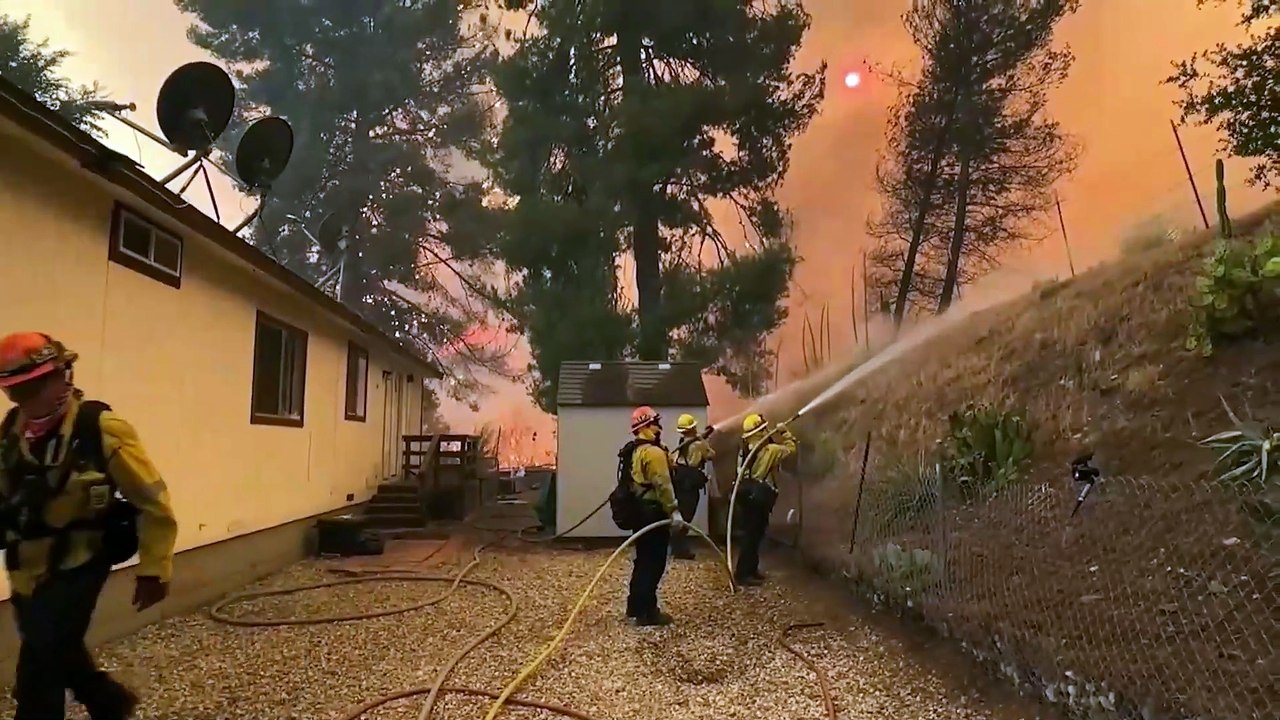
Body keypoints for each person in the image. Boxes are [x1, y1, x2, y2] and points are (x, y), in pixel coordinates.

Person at [0, 332, 178, 720]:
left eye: (34, 386)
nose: (26, 400)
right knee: (54, 645)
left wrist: (154, 569)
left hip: (82, 560)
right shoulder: (11, 432)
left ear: (63, 375)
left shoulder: (101, 428)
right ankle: (108, 702)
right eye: (15, 392)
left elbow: (152, 502)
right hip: (27, 567)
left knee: (39, 665)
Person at [622, 406, 684, 626]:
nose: (660, 426)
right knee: (654, 563)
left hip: (639, 512)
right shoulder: (654, 453)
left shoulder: (637, 450)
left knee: (642, 560)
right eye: (656, 422)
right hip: (653, 513)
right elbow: (663, 485)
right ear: (647, 426)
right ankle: (648, 612)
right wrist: (674, 510)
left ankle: (635, 606)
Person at [733, 412, 796, 587]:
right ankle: (743, 574)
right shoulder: (770, 450)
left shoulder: (745, 447)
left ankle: (751, 569)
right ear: (761, 431)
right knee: (752, 536)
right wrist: (784, 433)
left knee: (753, 534)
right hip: (758, 497)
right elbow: (791, 449)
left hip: (745, 494)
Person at [668, 414, 714, 560]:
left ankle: (676, 546)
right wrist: (703, 441)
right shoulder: (698, 444)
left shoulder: (683, 441)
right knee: (687, 515)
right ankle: (680, 549)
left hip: (679, 480)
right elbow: (711, 455)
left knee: (681, 513)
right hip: (689, 482)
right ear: (692, 427)